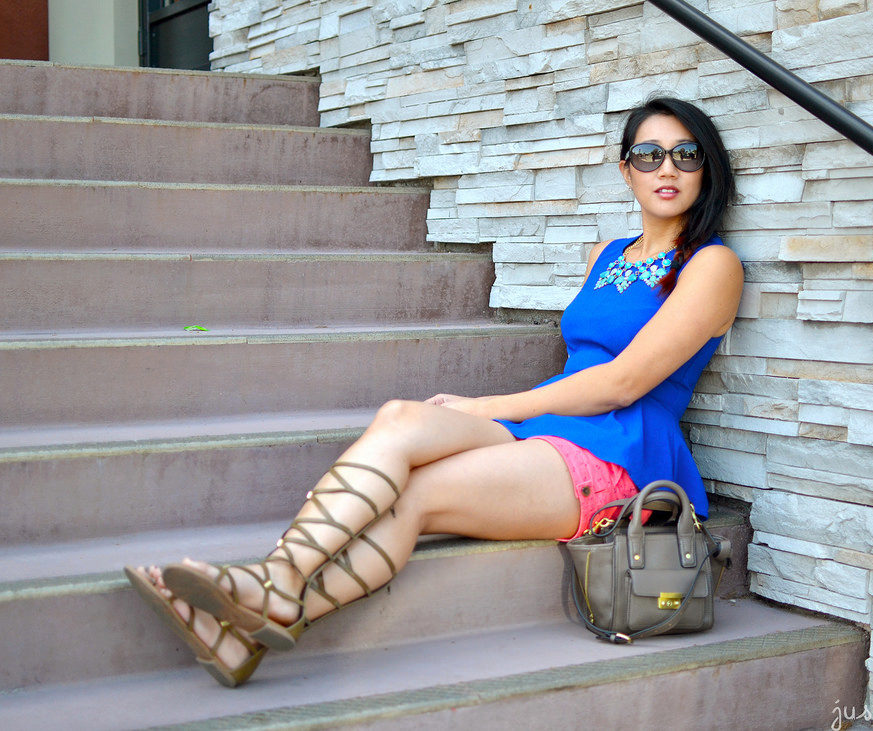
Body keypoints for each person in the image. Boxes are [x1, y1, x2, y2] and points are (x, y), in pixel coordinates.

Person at [126, 96, 744, 687]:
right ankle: (274, 589)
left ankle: (269, 601)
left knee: (415, 494)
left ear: (706, 168)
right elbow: (582, 367)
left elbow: (622, 382)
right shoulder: (605, 254)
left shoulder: (712, 265)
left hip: (621, 454)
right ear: (626, 170)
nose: (667, 169)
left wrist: (483, 408)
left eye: (686, 155)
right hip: (555, 423)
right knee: (401, 419)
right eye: (649, 155)